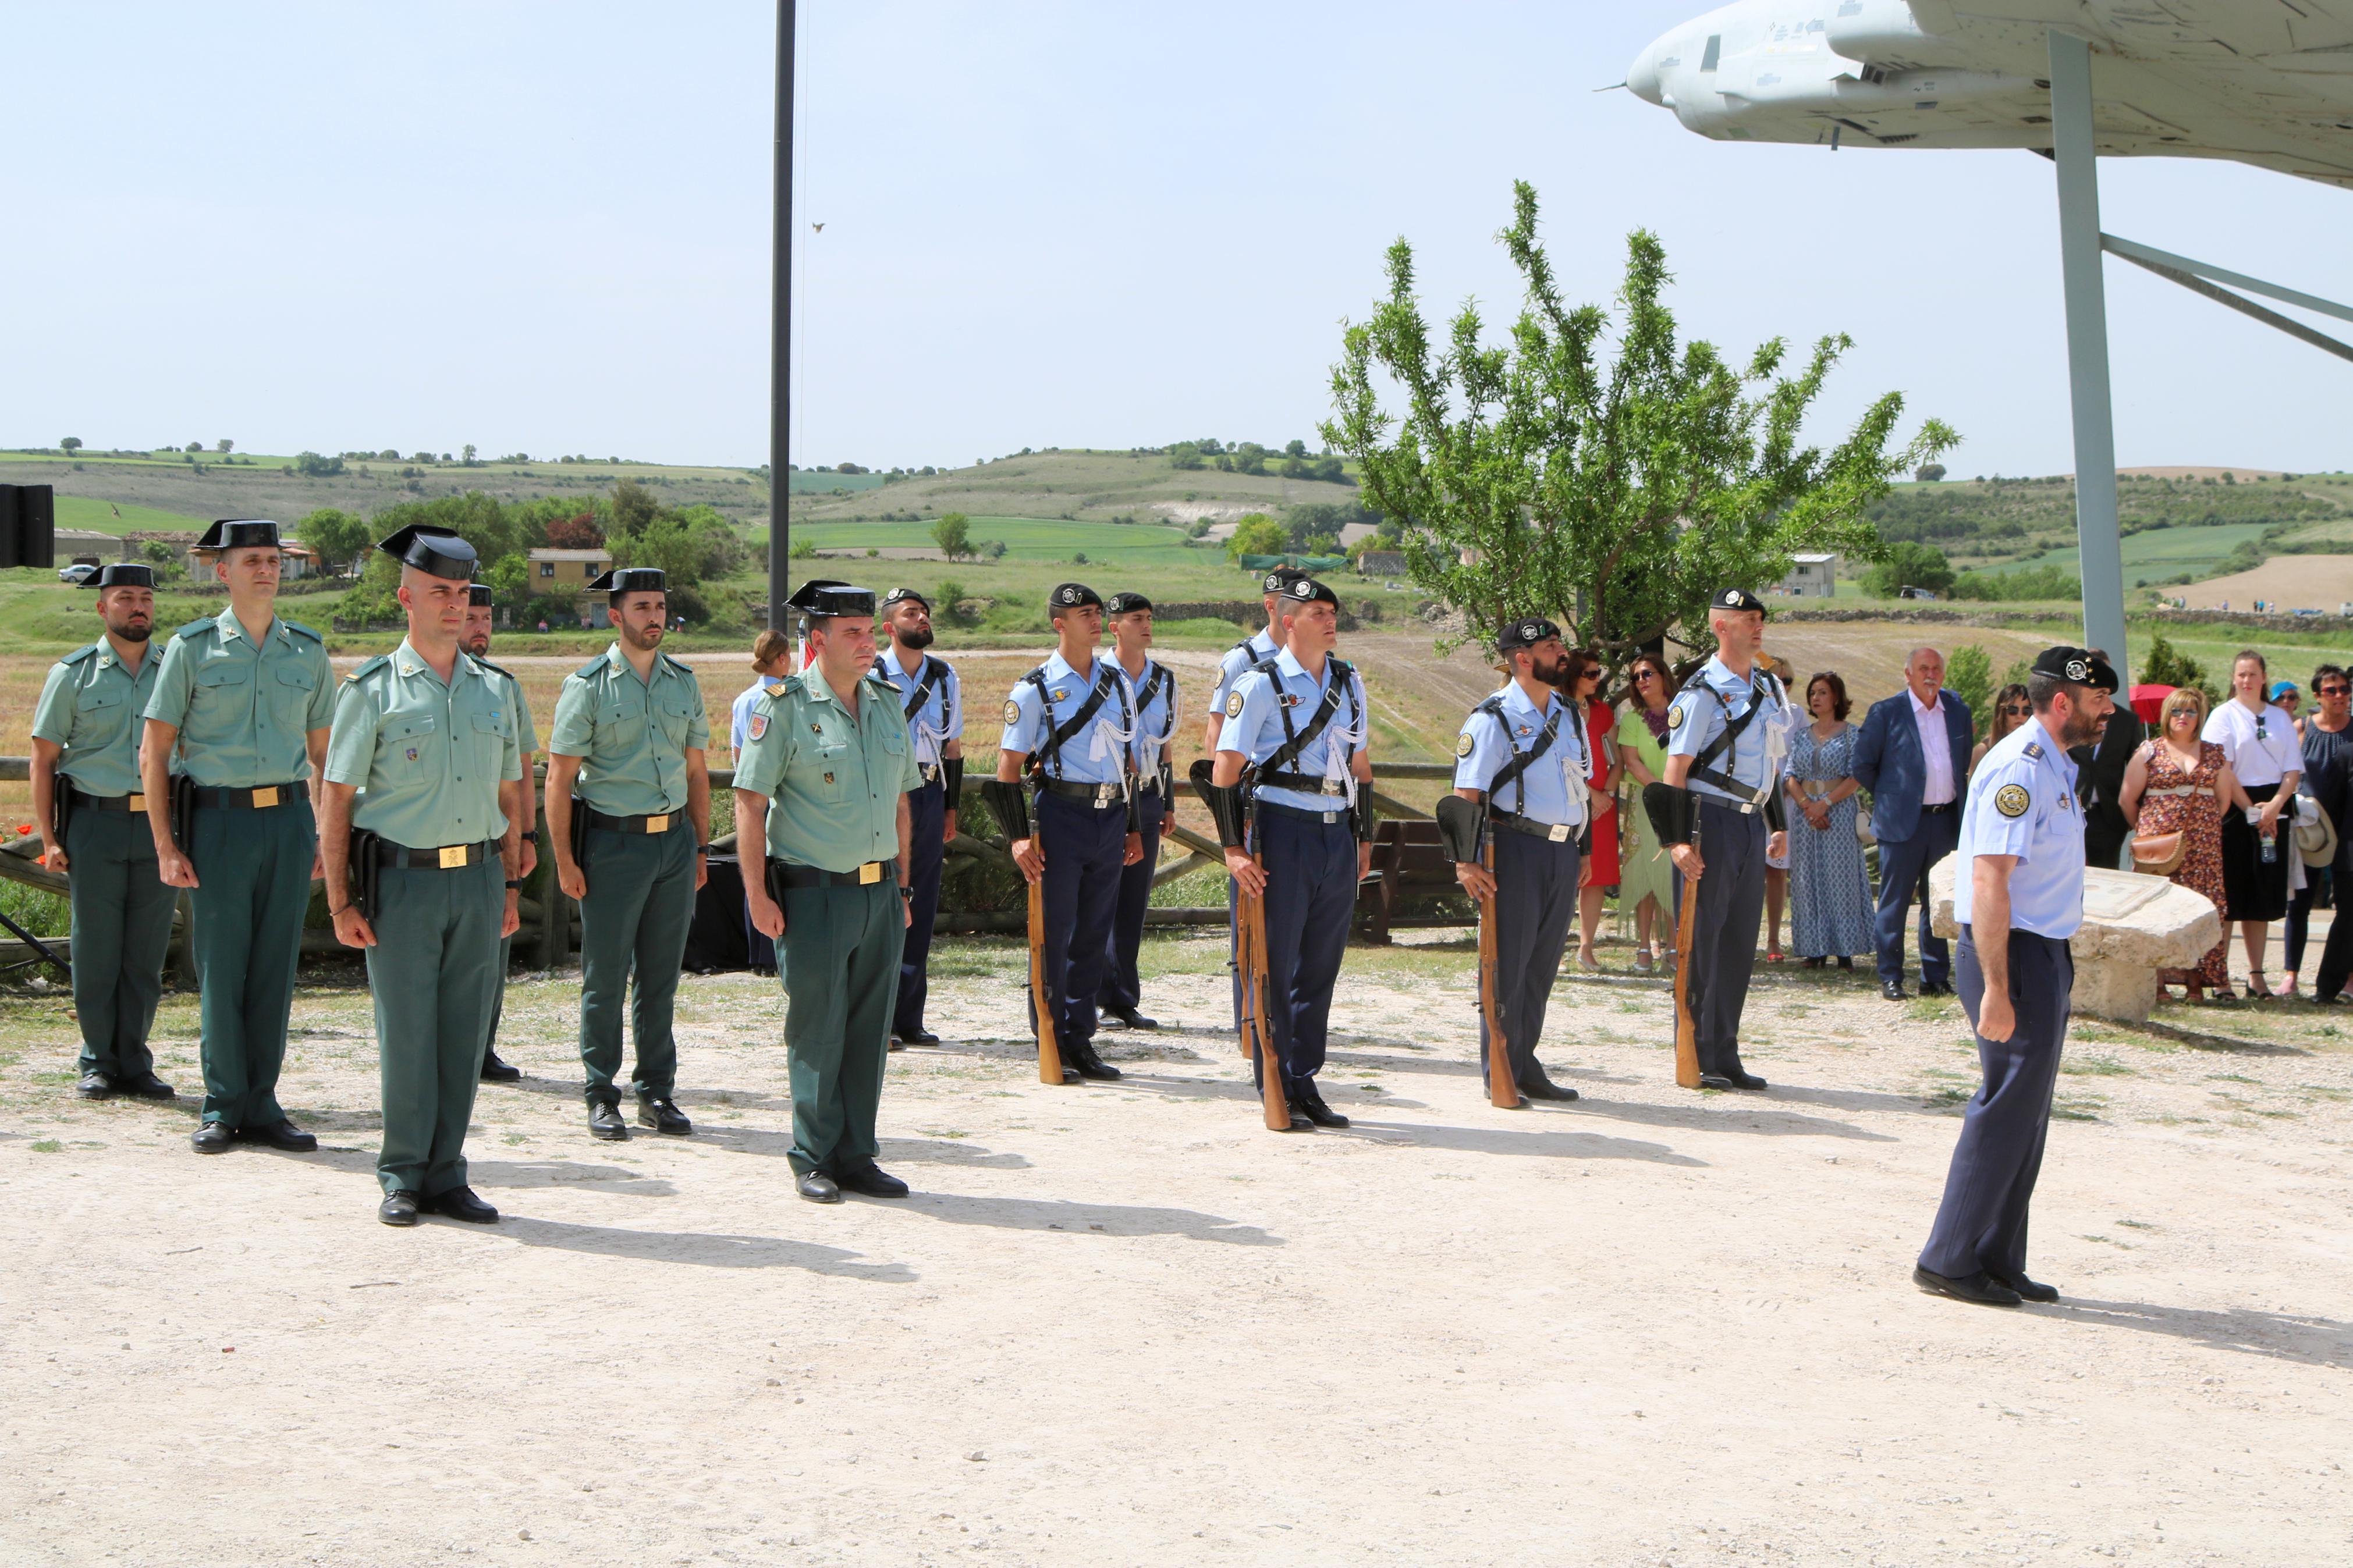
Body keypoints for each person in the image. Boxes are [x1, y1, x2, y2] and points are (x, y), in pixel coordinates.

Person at [320, 527, 521, 1227]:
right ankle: (403, 1173)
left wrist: (511, 884)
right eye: (440, 591)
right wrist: (341, 897)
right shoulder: (371, 691)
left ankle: (447, 1173)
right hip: (401, 884)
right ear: (405, 597)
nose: (455, 605)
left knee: (464, 1036)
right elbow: (337, 798)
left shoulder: (492, 690)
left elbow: (509, 793)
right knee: (408, 1032)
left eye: (463, 593)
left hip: (476, 881)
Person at [1915, 646, 2116, 1309]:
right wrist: (1996, 988)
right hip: (2012, 954)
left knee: (2027, 1113)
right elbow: (1989, 880)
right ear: (2062, 702)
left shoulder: (2054, 763)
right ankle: (1947, 1256)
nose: (2106, 711)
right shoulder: (2018, 768)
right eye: (2096, 701)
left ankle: (1996, 1253)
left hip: (2043, 950)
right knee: (2004, 1106)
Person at [142, 518, 336, 1155]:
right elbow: (156, 751)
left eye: (274, 559)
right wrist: (168, 846)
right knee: (222, 966)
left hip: (285, 820)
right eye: (252, 559)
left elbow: (322, 756)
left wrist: (319, 835)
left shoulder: (307, 651)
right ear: (221, 571)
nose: (266, 569)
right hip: (217, 822)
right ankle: (224, 1102)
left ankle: (264, 1103)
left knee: (276, 967)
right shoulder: (192, 648)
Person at [737, 580, 917, 1204]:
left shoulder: (887, 703)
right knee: (817, 1029)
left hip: (877, 894)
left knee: (869, 1030)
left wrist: (901, 885)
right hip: (812, 895)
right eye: (853, 634)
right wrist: (757, 895)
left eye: (871, 632)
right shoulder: (783, 707)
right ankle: (811, 1154)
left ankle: (855, 1154)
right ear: (817, 641)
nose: (870, 643)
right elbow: (750, 802)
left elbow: (899, 803)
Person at [545, 566, 711, 1140]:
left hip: (671, 842)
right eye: (642, 607)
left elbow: (695, 771)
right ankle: (600, 1092)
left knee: (660, 977)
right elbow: (559, 779)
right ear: (615, 616)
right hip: (611, 844)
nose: (655, 617)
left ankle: (657, 1093)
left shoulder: (682, 683)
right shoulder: (587, 686)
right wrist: (565, 861)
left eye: (661, 606)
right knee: (606, 974)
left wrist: (697, 847)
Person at [1211, 577, 1373, 1129]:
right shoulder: (1258, 684)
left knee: (1320, 965)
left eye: (1332, 611)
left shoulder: (1349, 682)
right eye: (1316, 612)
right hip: (1281, 828)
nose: (1330, 620)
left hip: (1335, 831)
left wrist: (1364, 837)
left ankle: (1305, 1078)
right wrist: (1233, 848)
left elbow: (1361, 768)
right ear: (1288, 622)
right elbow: (1224, 771)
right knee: (1274, 962)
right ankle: (1273, 1078)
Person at [31, 564, 177, 1103]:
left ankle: (135, 1061)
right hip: (94, 823)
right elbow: (44, 760)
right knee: (96, 948)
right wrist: (48, 838)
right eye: (125, 598)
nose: (138, 606)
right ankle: (97, 1060)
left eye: (145, 598)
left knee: (145, 951)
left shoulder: (173, 670)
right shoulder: (71, 674)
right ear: (102, 608)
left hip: (159, 824)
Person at [998, 582, 1143, 1083]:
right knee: (1054, 932)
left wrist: (1132, 826)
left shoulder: (1117, 682)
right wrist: (1018, 837)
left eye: (1098, 612)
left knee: (1092, 933)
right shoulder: (1034, 687)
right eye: (1084, 613)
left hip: (1109, 815)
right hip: (1060, 814)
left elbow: (1129, 760)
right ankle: (1049, 1034)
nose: (1096, 620)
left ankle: (1080, 1038)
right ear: (1059, 623)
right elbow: (1007, 769)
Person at [1649, 588, 1793, 1091]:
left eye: (1759, 619)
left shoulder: (1771, 688)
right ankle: (1694, 1050)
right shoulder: (1701, 692)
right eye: (1746, 619)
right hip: (1707, 820)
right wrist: (1676, 841)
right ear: (1720, 627)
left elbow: (1772, 763)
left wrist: (1775, 822)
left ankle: (1725, 1051)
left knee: (1736, 945)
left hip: (1751, 824)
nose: (1757, 627)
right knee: (1700, 942)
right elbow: (1675, 772)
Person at [1448, 616, 1589, 1102]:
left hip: (1562, 849)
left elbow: (1579, 784)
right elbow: (1465, 795)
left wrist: (1583, 848)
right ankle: (1501, 1070)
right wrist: (1466, 862)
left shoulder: (1570, 714)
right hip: (1515, 848)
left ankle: (1526, 1062)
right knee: (1508, 964)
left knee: (1542, 965)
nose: (1562, 652)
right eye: (1552, 646)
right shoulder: (1492, 718)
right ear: (1523, 659)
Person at [1852, 646, 1974, 1001]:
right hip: (1902, 823)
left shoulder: (1958, 711)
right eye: (1923, 668)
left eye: (1936, 668)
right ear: (1908, 674)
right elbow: (1862, 765)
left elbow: (1961, 762)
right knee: (1894, 903)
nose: (1930, 674)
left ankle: (1934, 976)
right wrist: (1893, 796)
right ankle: (1891, 976)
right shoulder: (1887, 712)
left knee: (1937, 902)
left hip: (1946, 820)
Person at [872, 588, 963, 1047]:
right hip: (881, 793)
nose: (923, 617)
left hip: (927, 791)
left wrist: (951, 807)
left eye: (925, 611)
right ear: (890, 627)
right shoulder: (870, 672)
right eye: (912, 612)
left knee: (921, 903)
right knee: (880, 900)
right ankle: (878, 1016)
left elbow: (953, 748)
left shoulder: (945, 676)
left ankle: (910, 1014)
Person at [2118, 687, 2237, 1001]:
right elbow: (2128, 800)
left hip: (2203, 847)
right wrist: (2147, 831)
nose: (2183, 718)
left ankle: (2196, 982)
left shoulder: (2215, 753)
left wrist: (2202, 825)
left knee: (2201, 910)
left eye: (2190, 711)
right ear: (2165, 716)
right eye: (2176, 711)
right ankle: (2157, 983)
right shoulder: (2149, 751)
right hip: (2158, 848)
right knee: (2157, 910)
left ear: (2200, 716)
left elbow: (2223, 801)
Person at [463, 583, 537, 1084]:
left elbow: (523, 771)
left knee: (494, 950)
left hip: (496, 840)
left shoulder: (503, 687)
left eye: (487, 618)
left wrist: (528, 835)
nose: (481, 628)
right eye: (472, 617)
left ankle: (482, 1047)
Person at [1097, 591, 1176, 1032]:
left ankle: (1122, 998)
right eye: (1135, 619)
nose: (1145, 625)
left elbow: (1165, 744)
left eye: (1148, 617)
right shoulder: (1098, 676)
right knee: (1097, 902)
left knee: (1132, 903)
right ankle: (1088, 993)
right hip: (1107, 797)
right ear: (1114, 627)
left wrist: (1167, 802)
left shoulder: (1163, 680)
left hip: (1145, 796)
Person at [2202, 650, 2300, 997]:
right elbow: (2222, 769)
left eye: (2253, 674)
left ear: (2263, 678)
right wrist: (2251, 811)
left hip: (2274, 808)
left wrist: (2273, 807)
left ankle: (2257, 976)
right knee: (2230, 895)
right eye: (2241, 674)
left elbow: (2292, 769)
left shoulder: (2279, 718)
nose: (2247, 680)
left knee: (2262, 896)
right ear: (2233, 678)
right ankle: (2220, 977)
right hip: (2235, 806)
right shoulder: (2222, 716)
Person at [1784, 671, 1874, 970]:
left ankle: (1844, 950)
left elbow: (1856, 776)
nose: (1816, 698)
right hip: (1805, 815)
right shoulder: (1800, 735)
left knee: (1840, 880)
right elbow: (1790, 776)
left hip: (1839, 813)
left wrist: (1826, 804)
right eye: (1812, 693)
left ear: (1836, 697)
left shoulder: (1852, 734)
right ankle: (1814, 950)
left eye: (1822, 693)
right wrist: (1808, 806)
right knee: (1807, 879)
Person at [730, 630, 794, 975]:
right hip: (781, 794)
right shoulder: (785, 696)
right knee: (780, 872)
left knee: (753, 872)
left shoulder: (743, 700)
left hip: (753, 792)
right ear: (783, 658)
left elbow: (738, 752)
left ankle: (759, 956)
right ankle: (777, 948)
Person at [1613, 652, 1678, 974]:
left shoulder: (1684, 716)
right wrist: (1660, 790)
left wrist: (1674, 792)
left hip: (1680, 802)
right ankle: (1643, 948)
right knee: (1645, 877)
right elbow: (1632, 762)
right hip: (1645, 802)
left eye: (1648, 673)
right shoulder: (1632, 720)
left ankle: (1673, 948)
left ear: (1664, 676)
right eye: (1637, 677)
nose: (1642, 681)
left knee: (1674, 873)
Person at [2299, 666, 2353, 1003]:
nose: (2340, 696)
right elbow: (2331, 804)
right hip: (2349, 845)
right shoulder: (2347, 751)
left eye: (2345, 690)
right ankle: (2328, 986)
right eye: (2332, 691)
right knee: (2348, 916)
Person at [1561, 649, 1616, 970]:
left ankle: (1586, 948)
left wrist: (1606, 793)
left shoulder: (1604, 711)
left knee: (1596, 877)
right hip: (1569, 802)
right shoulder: (1558, 709)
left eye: (1599, 673)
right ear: (1574, 676)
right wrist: (1590, 794)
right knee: (1563, 875)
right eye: (1591, 674)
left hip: (1601, 807)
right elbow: (1561, 762)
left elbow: (1617, 759)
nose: (1598, 680)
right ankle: (1554, 947)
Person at [2071, 649, 2145, 871]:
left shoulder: (2127, 721)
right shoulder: (2069, 716)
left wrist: (2138, 815)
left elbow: (2138, 767)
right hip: (2072, 812)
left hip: (2109, 816)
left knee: (2107, 878)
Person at [1759, 653, 1797, 962]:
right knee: (1745, 872)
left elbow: (1799, 758)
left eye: (1787, 681)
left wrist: (1789, 790)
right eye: (1776, 681)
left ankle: (1774, 939)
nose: (1781, 687)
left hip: (1783, 802)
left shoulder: (1795, 715)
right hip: (1749, 799)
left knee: (1776, 874)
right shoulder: (1751, 710)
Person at [1970, 684, 2032, 772]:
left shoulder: (2035, 749)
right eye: (2013, 710)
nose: (2020, 716)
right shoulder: (1982, 751)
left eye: (2026, 711)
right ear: (2001, 712)